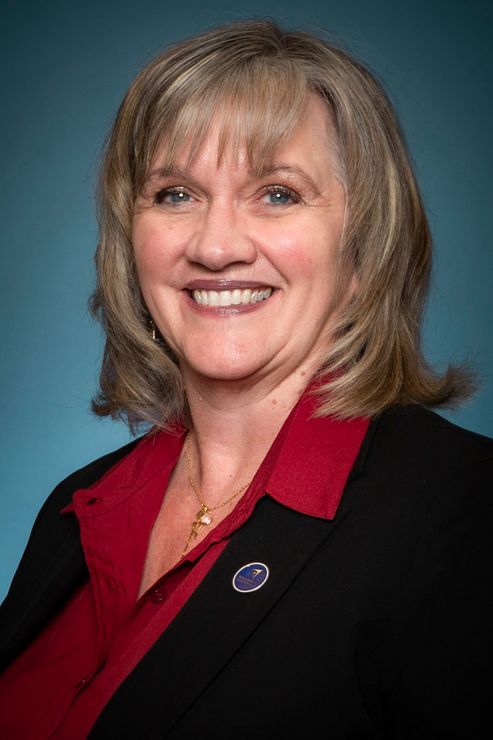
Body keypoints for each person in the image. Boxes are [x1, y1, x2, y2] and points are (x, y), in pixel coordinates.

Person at [0, 18, 491, 740]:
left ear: (362, 246)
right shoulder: (78, 508)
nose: (215, 245)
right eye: (175, 194)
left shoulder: (463, 515)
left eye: (277, 194)